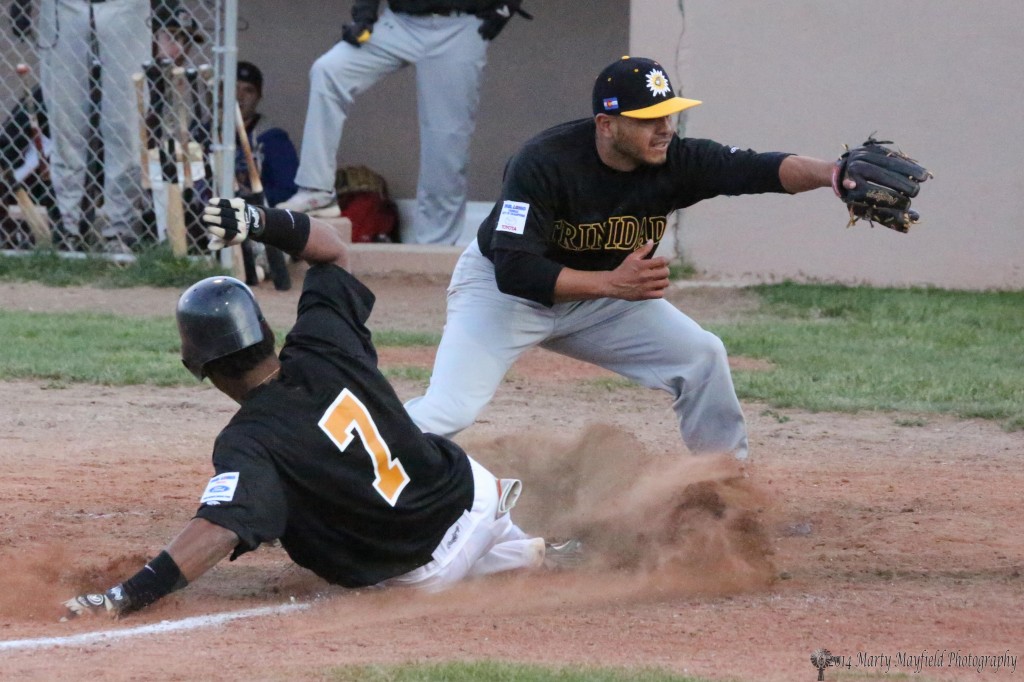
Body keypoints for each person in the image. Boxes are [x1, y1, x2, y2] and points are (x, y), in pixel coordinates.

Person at [60, 198, 581, 620]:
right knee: (468, 516)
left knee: (395, 564)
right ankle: (523, 553)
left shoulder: (248, 441)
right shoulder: (322, 340)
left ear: (203, 368)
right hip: (476, 495)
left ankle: (506, 559)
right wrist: (257, 220)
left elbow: (219, 529)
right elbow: (333, 251)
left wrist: (124, 597)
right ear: (265, 331)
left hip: (423, 575)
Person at [402, 55, 929, 462]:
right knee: (451, 408)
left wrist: (831, 175)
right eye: (649, 118)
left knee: (701, 356)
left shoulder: (675, 159)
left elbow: (759, 169)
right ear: (606, 125)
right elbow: (515, 268)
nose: (665, 128)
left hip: (609, 294)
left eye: (670, 115)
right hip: (504, 294)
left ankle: (723, 488)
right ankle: (348, 474)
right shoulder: (543, 162)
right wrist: (612, 285)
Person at [278, 0, 531, 245]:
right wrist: (364, 17)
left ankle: (434, 247)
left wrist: (502, 11)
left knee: (446, 140)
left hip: (461, 24)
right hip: (399, 22)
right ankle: (316, 190)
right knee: (329, 70)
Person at [11, 0, 152, 252]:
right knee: (65, 122)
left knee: (124, 121)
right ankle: (68, 227)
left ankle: (120, 230)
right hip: (63, 5)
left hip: (126, 5)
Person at [234, 60, 299, 291]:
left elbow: (288, 189)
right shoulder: (205, 131)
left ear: (259, 96)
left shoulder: (271, 137)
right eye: (233, 88)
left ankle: (261, 266)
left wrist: (249, 197)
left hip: (256, 214)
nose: (239, 96)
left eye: (248, 90)